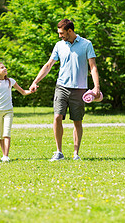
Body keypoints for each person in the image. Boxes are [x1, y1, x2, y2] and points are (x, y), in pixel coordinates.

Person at [29, 19, 100, 161]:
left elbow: (92, 66)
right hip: (62, 86)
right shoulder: (59, 45)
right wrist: (35, 81)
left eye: (62, 33)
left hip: (79, 89)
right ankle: (59, 152)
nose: (60, 36)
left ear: (70, 31)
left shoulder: (86, 44)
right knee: (57, 117)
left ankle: (76, 153)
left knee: (77, 121)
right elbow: (49, 65)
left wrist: (96, 86)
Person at [0, 62, 32, 162]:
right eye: (2, 68)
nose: (5, 68)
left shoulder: (10, 81)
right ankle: (3, 154)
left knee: (7, 133)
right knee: (0, 134)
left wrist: (31, 91)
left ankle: (6, 156)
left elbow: (23, 92)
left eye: (4, 67)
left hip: (8, 111)